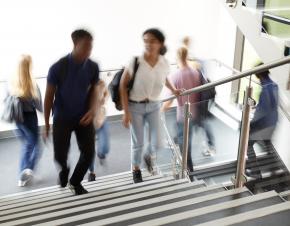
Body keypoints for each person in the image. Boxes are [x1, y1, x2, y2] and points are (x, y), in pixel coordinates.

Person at [120, 28, 181, 183]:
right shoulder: (136, 62)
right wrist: (126, 112)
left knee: (158, 141)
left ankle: (148, 155)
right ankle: (136, 170)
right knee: (138, 142)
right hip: (135, 107)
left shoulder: (164, 62)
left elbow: (165, 78)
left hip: (154, 105)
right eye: (145, 40)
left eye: (152, 41)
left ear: (160, 43)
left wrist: (174, 89)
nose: (148, 44)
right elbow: (122, 85)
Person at [44, 29, 100, 195]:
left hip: (84, 116)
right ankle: (64, 169)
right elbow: (48, 97)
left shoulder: (93, 67)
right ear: (75, 44)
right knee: (60, 155)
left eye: (91, 47)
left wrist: (92, 110)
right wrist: (46, 124)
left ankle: (75, 182)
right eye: (85, 46)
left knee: (89, 153)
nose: (88, 50)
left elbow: (95, 92)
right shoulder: (58, 67)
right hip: (62, 117)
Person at [162, 46, 201, 181]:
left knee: (184, 147)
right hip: (195, 114)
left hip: (183, 117)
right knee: (183, 142)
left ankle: (189, 174)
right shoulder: (195, 72)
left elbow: (168, 101)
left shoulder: (176, 75)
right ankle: (186, 169)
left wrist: (159, 111)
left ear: (177, 58)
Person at [9, 55, 43, 187]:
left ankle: (23, 176)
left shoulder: (12, 82)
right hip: (29, 117)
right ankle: (27, 170)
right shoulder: (32, 84)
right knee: (35, 145)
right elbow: (39, 106)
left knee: (27, 145)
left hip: (17, 119)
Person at [246, 64, 279, 178]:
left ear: (259, 75)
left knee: (248, 144)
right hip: (273, 122)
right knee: (268, 144)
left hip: (265, 124)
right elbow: (270, 105)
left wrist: (251, 123)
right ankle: (275, 168)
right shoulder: (274, 85)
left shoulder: (266, 88)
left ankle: (256, 172)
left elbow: (264, 110)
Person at [88, 80, 110, 181]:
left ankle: (101, 154)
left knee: (105, 147)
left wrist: (104, 99)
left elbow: (106, 93)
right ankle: (91, 172)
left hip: (101, 118)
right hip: (88, 122)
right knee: (88, 150)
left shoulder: (100, 83)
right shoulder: (79, 86)